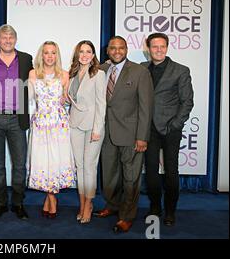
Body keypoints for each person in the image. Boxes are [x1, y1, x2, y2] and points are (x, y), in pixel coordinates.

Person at [93, 36, 154, 233]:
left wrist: (142, 137)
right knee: (109, 176)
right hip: (106, 134)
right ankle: (112, 206)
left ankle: (126, 216)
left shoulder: (139, 72)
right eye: (113, 48)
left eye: (121, 48)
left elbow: (146, 107)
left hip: (131, 135)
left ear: (126, 49)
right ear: (107, 50)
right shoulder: (100, 70)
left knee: (130, 178)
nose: (117, 51)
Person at [141, 33, 194, 226]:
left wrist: (176, 124)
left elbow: (187, 101)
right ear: (148, 48)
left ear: (167, 47)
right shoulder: (142, 69)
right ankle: (155, 207)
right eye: (155, 46)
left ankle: (170, 211)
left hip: (171, 127)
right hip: (148, 128)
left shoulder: (180, 70)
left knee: (171, 171)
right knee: (152, 171)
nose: (159, 50)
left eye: (162, 46)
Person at [0, 24, 33, 219]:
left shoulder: (27, 59)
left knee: (20, 165)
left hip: (16, 118)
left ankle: (18, 203)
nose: (8, 40)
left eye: (11, 37)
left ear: (16, 40)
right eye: (4, 37)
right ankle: (1, 203)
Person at [27, 41, 75, 219]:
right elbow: (30, 99)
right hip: (40, 123)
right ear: (42, 55)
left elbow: (66, 100)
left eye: (53, 53)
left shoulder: (64, 75)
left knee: (55, 161)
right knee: (44, 161)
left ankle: (51, 199)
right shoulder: (33, 74)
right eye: (46, 53)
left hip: (58, 123)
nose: (49, 56)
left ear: (57, 55)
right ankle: (51, 198)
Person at [67, 40, 106, 224]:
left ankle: (88, 204)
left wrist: (97, 129)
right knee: (79, 166)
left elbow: (101, 103)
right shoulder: (72, 73)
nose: (84, 55)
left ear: (93, 55)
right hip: (74, 124)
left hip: (92, 126)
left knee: (90, 166)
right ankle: (82, 203)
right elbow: (71, 101)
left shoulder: (98, 74)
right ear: (77, 54)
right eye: (81, 51)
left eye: (88, 51)